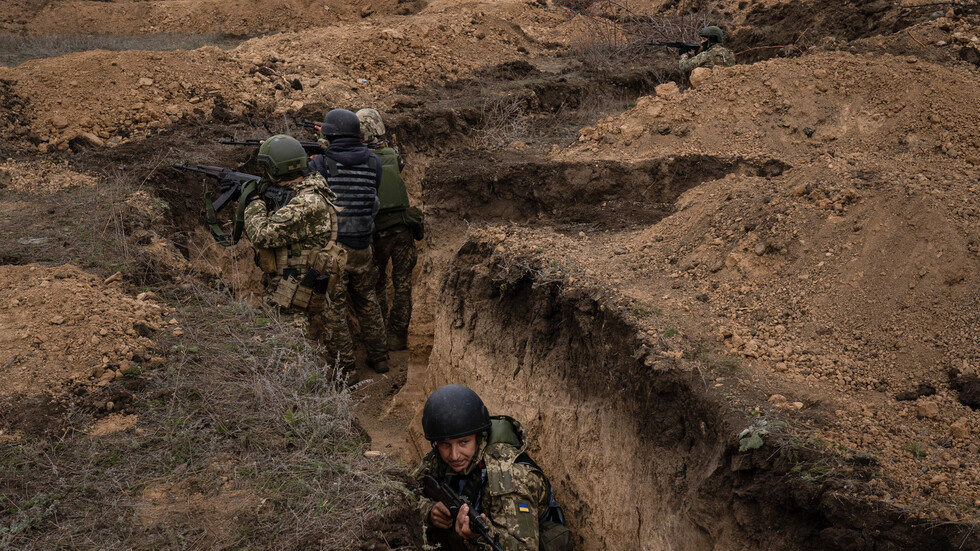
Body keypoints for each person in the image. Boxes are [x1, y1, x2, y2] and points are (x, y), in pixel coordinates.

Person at [413, 384, 572, 551]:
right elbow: (403, 490)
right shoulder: (438, 458)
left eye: (463, 443)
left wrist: (476, 537)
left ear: (479, 437)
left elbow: (523, 547)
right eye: (445, 445)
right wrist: (429, 511)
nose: (454, 455)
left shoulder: (508, 477)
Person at [309, 108, 390, 374]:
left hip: (335, 251)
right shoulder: (374, 162)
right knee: (368, 301)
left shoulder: (321, 164)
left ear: (329, 134)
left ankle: (347, 370)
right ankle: (380, 358)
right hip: (363, 247)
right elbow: (372, 199)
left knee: (335, 310)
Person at [242, 134, 345, 335]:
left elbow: (261, 234)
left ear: (275, 169)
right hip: (290, 288)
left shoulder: (306, 202)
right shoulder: (307, 187)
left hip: (294, 294)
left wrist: (253, 203)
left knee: (290, 354)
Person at [356, 108, 421, 351]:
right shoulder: (394, 155)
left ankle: (380, 334)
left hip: (376, 231)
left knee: (378, 282)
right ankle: (398, 336)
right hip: (403, 229)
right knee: (403, 284)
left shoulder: (360, 160)